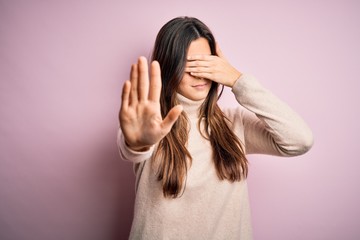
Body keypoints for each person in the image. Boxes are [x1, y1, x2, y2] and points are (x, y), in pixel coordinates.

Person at [117, 16, 313, 240]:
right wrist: (140, 142)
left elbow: (301, 140)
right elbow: (133, 145)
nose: (199, 74)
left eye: (206, 64)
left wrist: (238, 80)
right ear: (169, 67)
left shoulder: (234, 124)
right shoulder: (150, 123)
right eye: (188, 65)